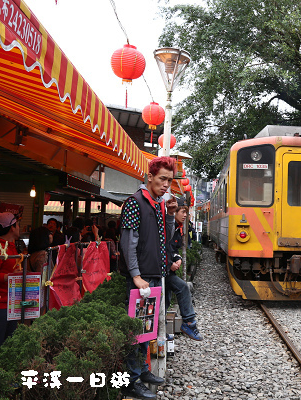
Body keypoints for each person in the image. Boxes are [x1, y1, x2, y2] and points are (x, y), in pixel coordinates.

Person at [119, 156, 178, 399]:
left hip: (153, 275)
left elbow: (166, 238)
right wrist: (135, 275)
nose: (166, 185)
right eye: (162, 179)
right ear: (150, 177)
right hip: (142, 278)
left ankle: (142, 370)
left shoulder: (159, 204)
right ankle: (132, 380)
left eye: (170, 181)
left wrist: (172, 216)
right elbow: (128, 243)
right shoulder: (135, 203)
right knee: (136, 331)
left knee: (146, 329)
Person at [165, 197, 202, 341]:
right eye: (182, 211)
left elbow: (172, 249)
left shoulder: (178, 227)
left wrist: (177, 257)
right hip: (163, 269)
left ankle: (159, 332)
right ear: (174, 211)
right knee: (183, 287)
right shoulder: (170, 226)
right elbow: (160, 248)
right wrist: (169, 263)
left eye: (186, 212)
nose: (185, 215)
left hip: (167, 270)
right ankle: (189, 322)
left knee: (166, 301)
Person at [0, 212, 21, 353]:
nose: (19, 227)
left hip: (11, 303)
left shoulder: (9, 246)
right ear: (12, 228)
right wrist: (10, 277)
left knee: (8, 345)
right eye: (17, 224)